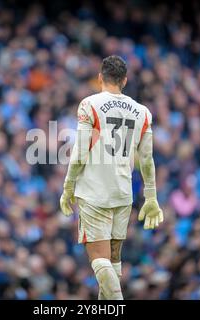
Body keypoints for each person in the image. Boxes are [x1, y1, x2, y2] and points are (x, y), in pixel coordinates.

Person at [59, 55, 164, 300]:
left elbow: (80, 151)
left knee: (99, 259)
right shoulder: (143, 112)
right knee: (113, 261)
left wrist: (68, 186)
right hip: (123, 193)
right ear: (124, 81)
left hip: (94, 193)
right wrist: (151, 196)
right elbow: (147, 159)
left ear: (99, 78)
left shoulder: (89, 104)